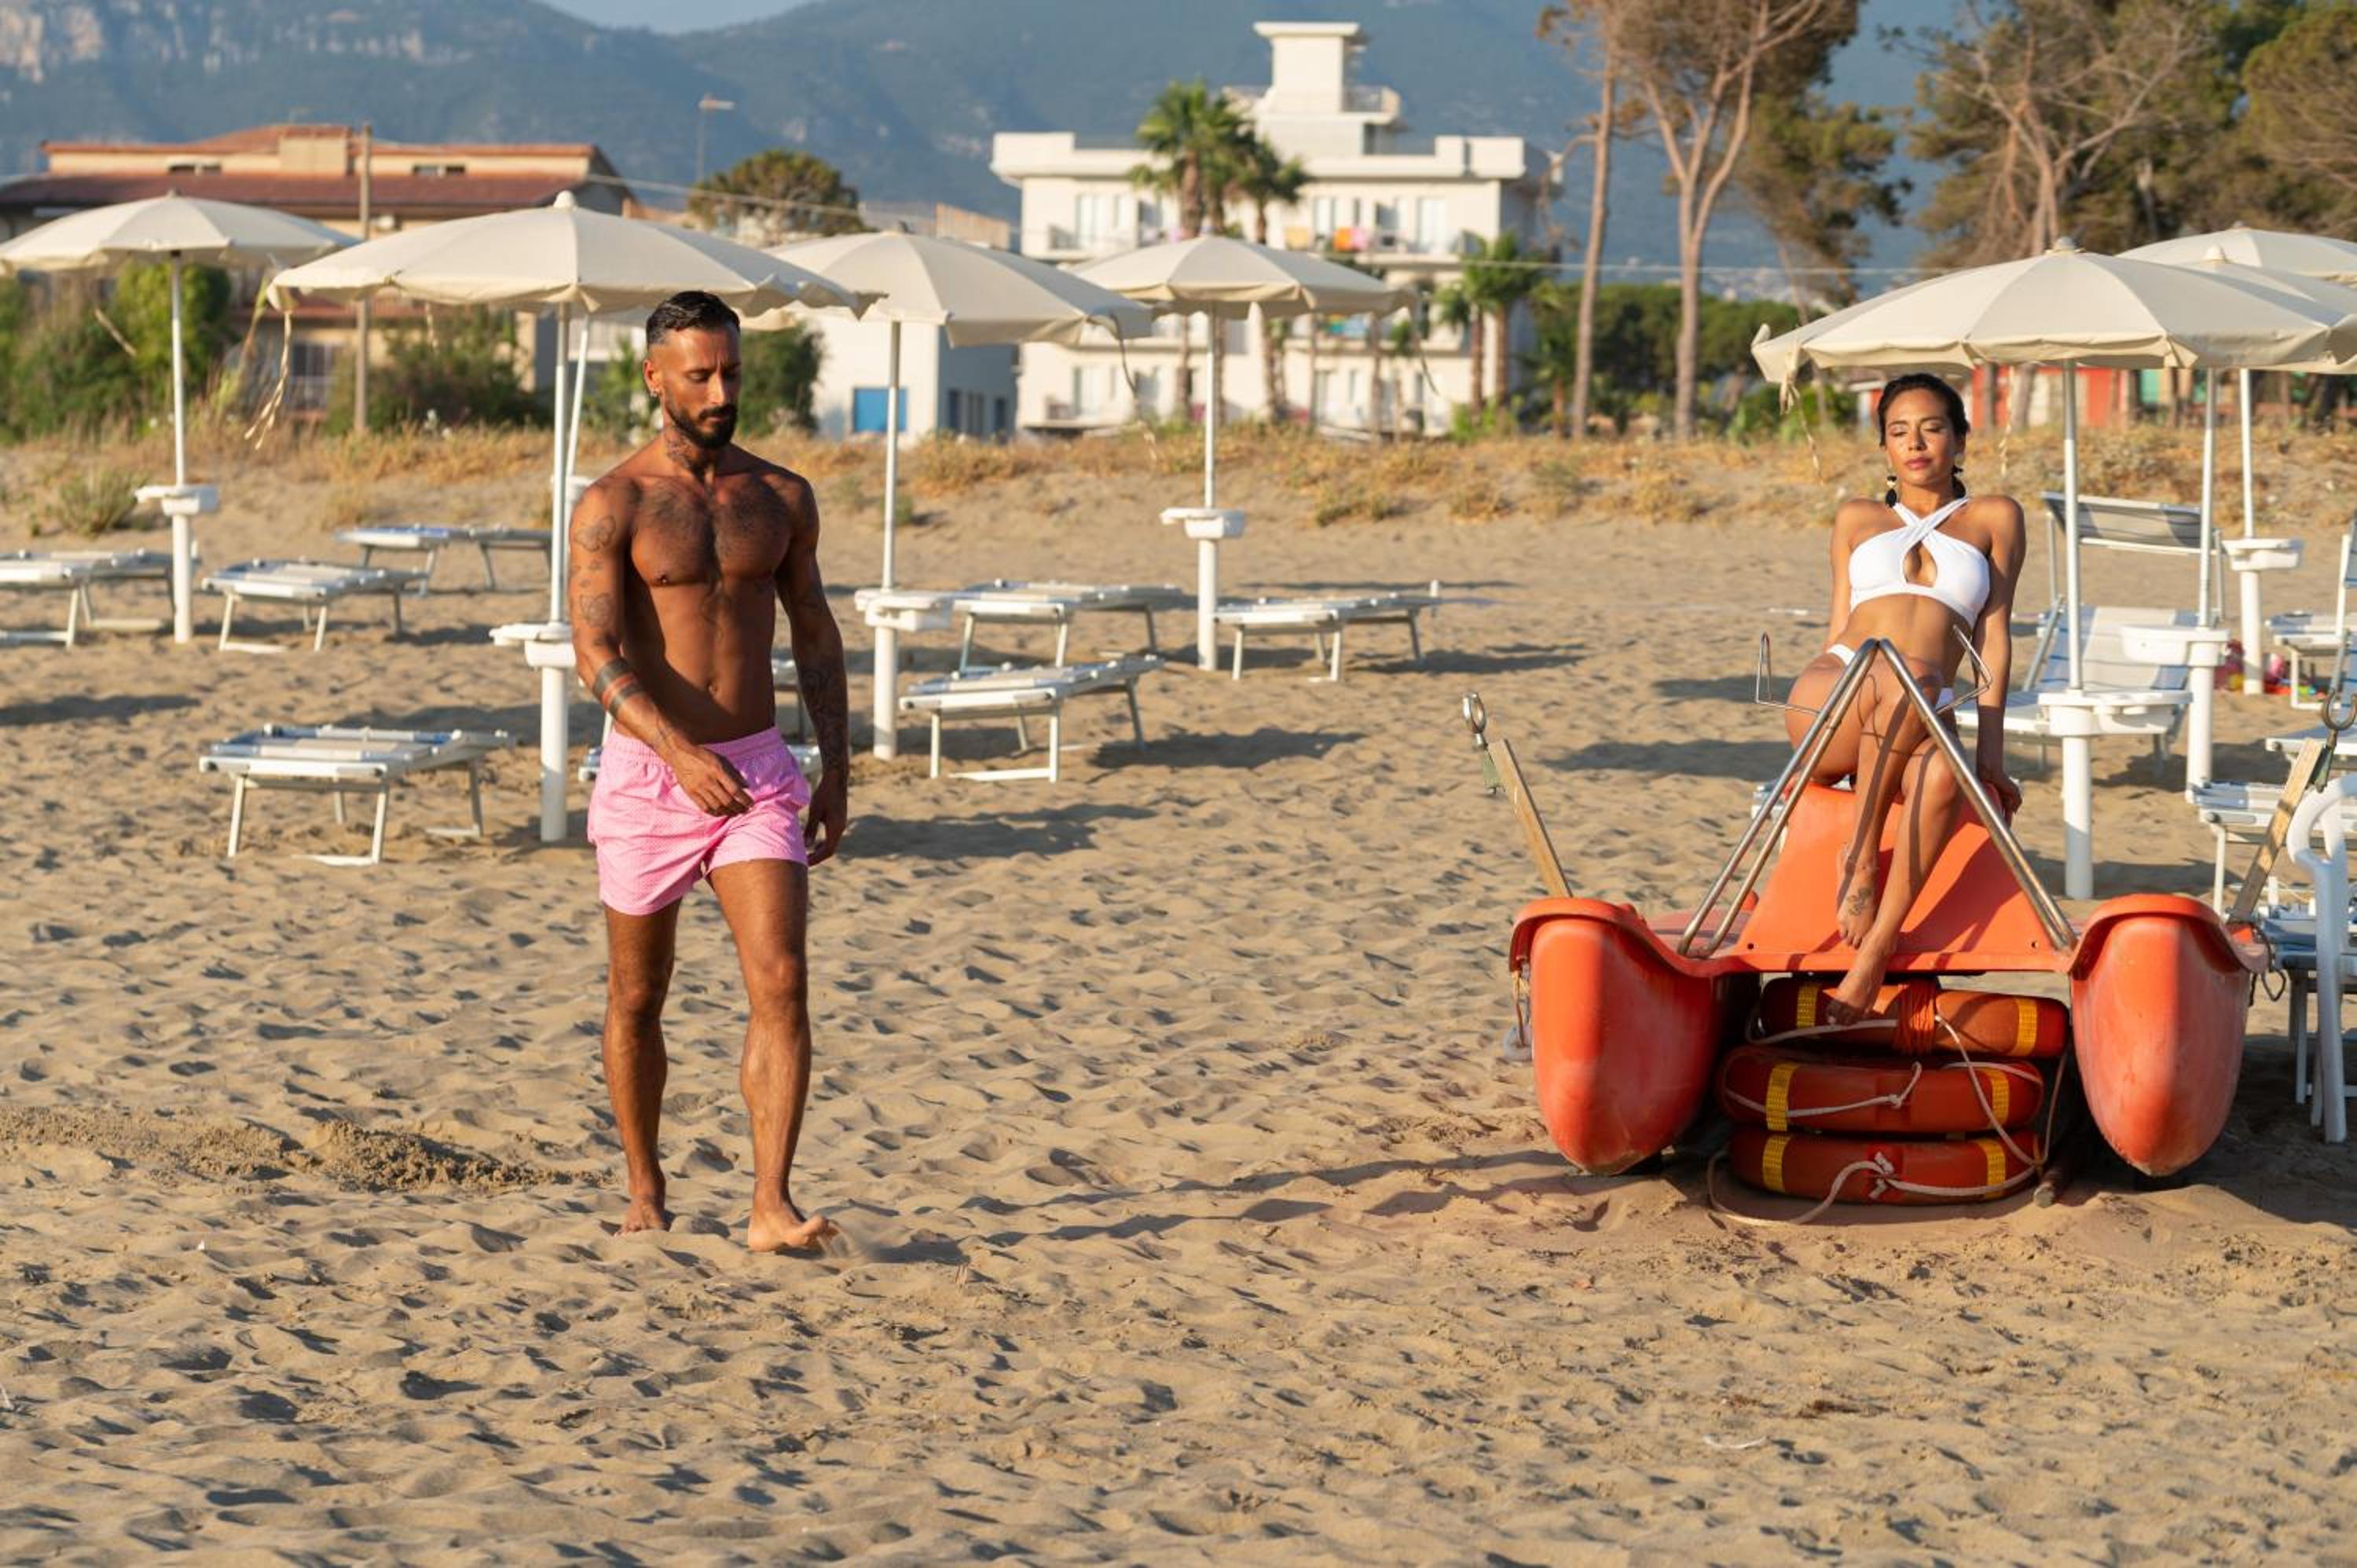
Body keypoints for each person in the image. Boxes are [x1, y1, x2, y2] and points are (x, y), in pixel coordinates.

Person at [568, 289, 850, 1252]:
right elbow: (594, 649)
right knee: (636, 995)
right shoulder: (614, 504)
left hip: (757, 770)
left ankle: (771, 1204)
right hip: (652, 772)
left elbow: (815, 631)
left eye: (732, 371)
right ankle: (645, 1184)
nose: (722, 392)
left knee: (782, 977)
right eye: (701, 375)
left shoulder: (780, 498)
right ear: (655, 378)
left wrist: (837, 765)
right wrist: (675, 751)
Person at [1783, 372, 2026, 1022]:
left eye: (1932, 428)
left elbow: (1994, 640)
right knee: (1904, 671)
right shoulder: (1857, 518)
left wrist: (1992, 760)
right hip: (1839, 689)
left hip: (1921, 703)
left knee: (1945, 768)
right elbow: (1839, 624)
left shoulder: (1995, 518)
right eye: (1899, 431)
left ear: (1960, 439)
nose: (1915, 443)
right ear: (1885, 448)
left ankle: (1876, 951)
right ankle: (1862, 855)